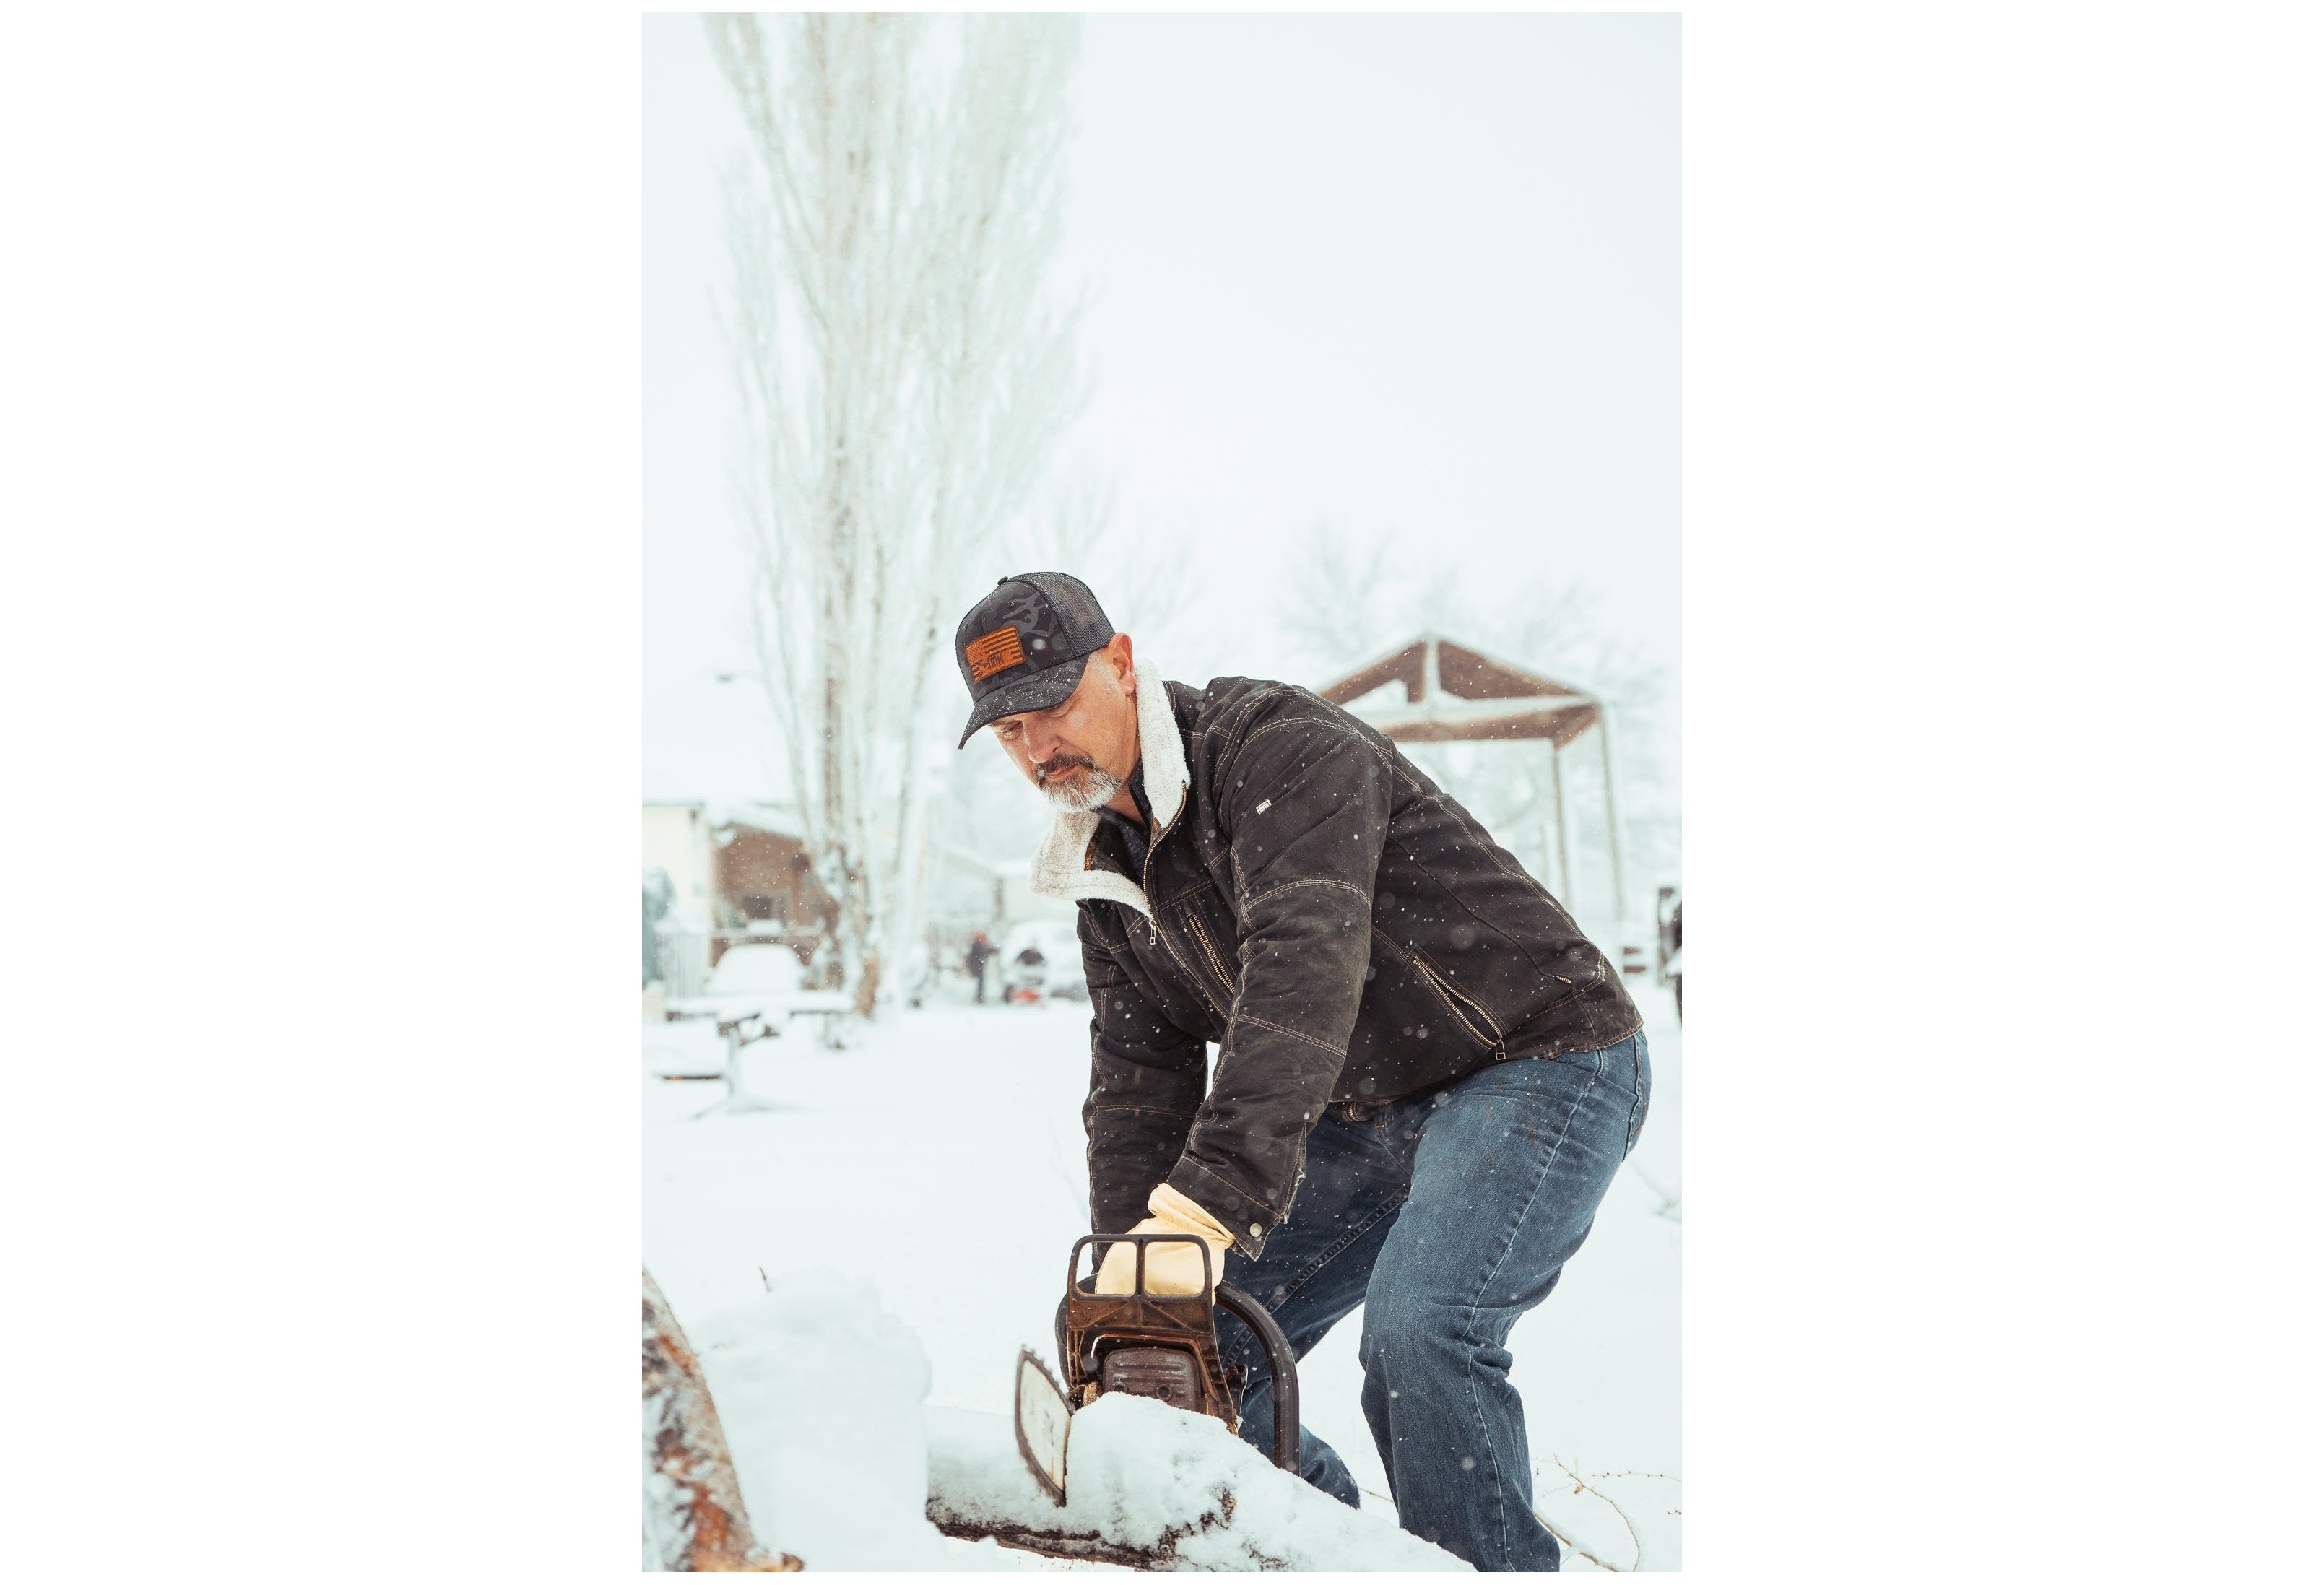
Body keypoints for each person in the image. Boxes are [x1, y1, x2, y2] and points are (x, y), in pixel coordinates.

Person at [953, 572, 1649, 1571]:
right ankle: (1333, 1555)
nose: (1037, 745)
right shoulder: (1104, 870)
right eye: (1010, 730)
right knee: (1184, 1348)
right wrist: (1131, 1266)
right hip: (1366, 1105)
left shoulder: (1276, 746)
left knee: (1422, 1333)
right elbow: (1137, 1085)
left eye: (1053, 705)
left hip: (1536, 1053)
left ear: (1120, 663)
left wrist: (1213, 1199)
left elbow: (1301, 971)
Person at [965, 929, 997, 1004]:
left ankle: (979, 997)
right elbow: (984, 952)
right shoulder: (977, 945)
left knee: (979, 983)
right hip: (977, 967)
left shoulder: (977, 945)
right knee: (980, 983)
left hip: (978, 966)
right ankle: (979, 998)